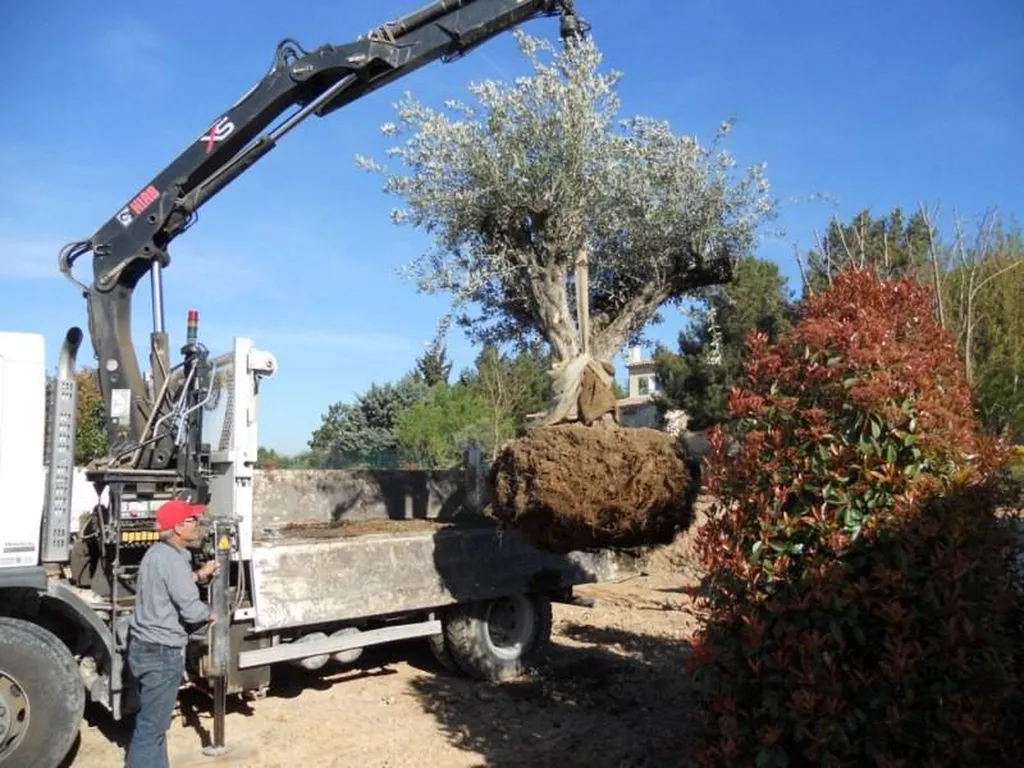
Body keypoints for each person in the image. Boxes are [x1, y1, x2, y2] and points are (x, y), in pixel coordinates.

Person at [124, 498, 219, 768]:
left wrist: (201, 574)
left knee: (154, 727)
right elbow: (191, 611)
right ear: (178, 527)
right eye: (192, 520)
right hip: (162, 653)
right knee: (150, 730)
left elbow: (170, 584)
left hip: (142, 648)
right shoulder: (174, 561)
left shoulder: (156, 554)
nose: (197, 524)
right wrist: (212, 613)